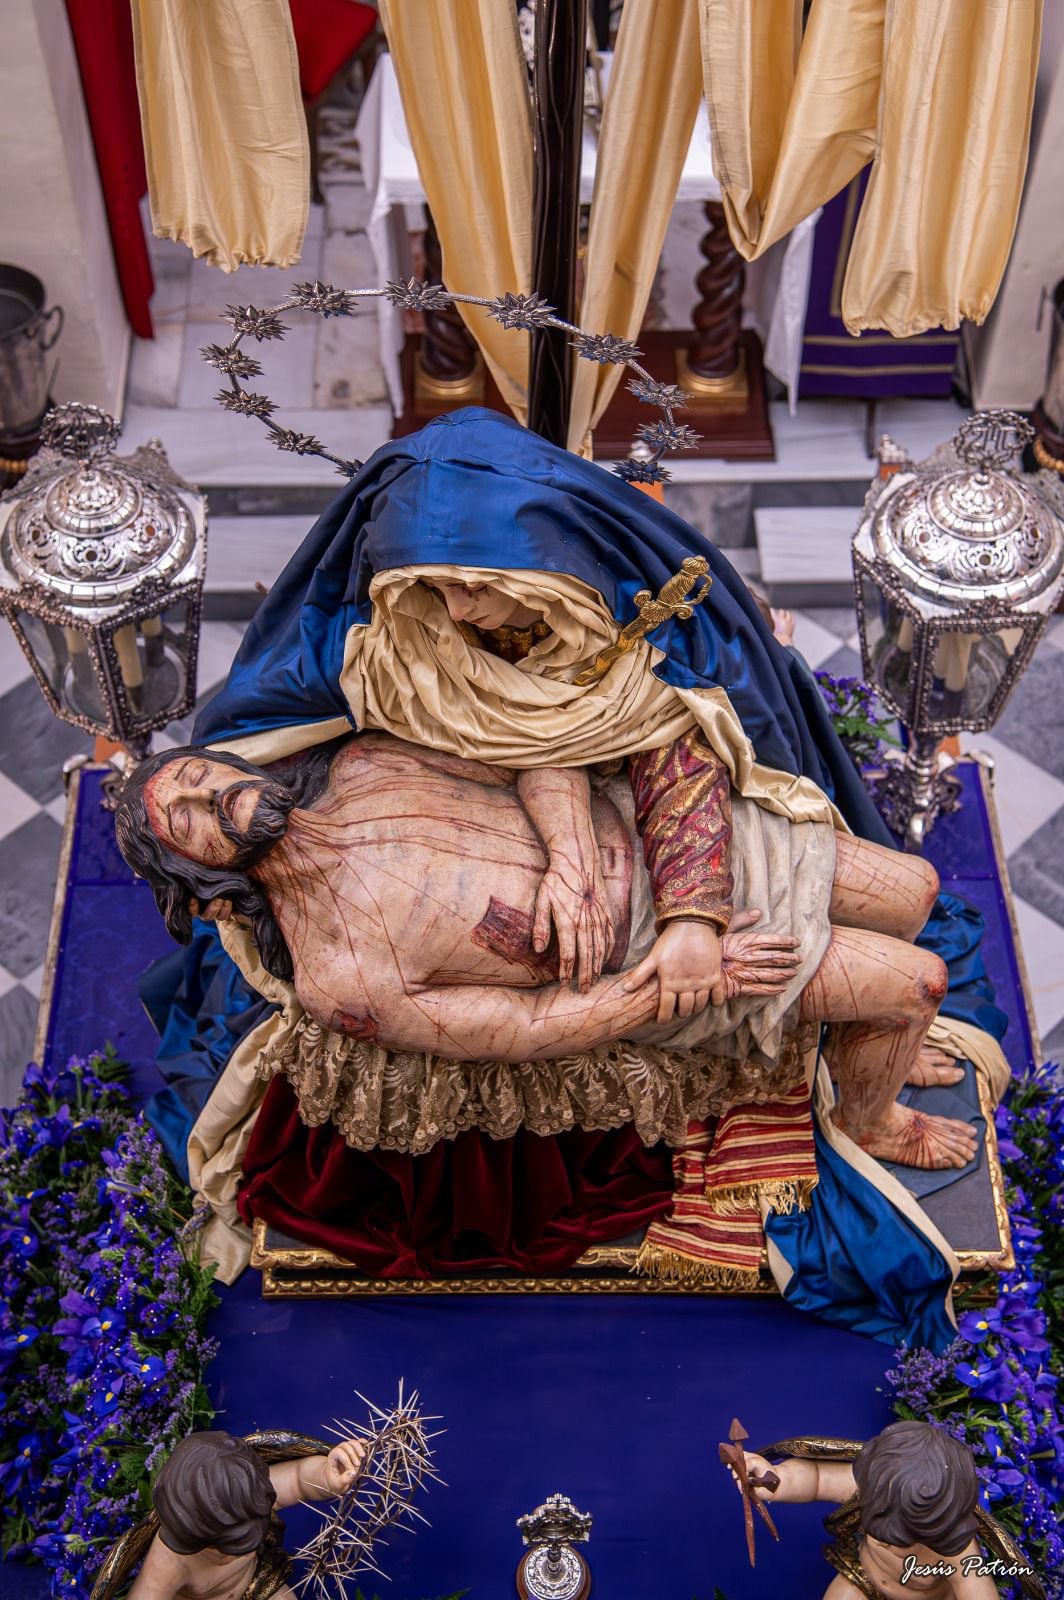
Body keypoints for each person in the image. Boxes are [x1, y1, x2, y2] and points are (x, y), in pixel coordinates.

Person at [115, 733, 977, 1171]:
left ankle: (875, 1057)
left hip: (665, 843)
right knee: (919, 984)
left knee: (915, 890)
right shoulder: (338, 973)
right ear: (197, 878)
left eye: (197, 773)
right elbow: (525, 1028)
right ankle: (870, 1118)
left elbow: (539, 753)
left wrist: (568, 859)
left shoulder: (366, 764)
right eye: (187, 817)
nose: (212, 793)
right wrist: (678, 982)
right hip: (651, 965)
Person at [731, 1421, 1044, 1600]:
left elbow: (976, 1589)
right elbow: (815, 1478)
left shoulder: (958, 1548)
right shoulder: (872, 1491)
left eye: (902, 1539)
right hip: (863, 1579)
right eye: (878, 1530)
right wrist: (774, 1481)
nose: (884, 1543)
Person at [126, 1430, 364, 1600]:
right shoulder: (168, 1562)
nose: (247, 1550)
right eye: (229, 1551)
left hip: (257, 1585)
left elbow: (296, 1480)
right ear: (198, 1544)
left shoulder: (249, 1495)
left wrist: (326, 1476)